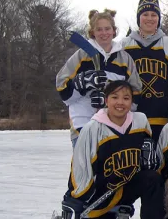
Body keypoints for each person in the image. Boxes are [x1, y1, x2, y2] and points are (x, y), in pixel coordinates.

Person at [44, 80, 167, 219]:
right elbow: (81, 167)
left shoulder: (140, 120)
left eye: (126, 98)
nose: (120, 102)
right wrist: (77, 199)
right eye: (115, 97)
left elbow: (148, 152)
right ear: (106, 100)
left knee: (152, 179)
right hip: (99, 193)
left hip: (124, 188)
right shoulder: (93, 128)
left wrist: (151, 156)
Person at [56, 9, 141, 147]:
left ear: (114, 31)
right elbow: (63, 91)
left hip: (116, 128)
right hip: (83, 127)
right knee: (84, 168)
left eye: (107, 28)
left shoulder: (124, 59)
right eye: (99, 29)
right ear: (92, 32)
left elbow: (136, 94)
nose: (104, 33)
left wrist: (111, 103)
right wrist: (81, 84)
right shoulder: (81, 56)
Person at [122, 0, 168, 143]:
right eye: (145, 14)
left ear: (158, 18)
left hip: (162, 117)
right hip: (132, 117)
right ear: (139, 17)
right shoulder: (125, 45)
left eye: (153, 14)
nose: (150, 18)